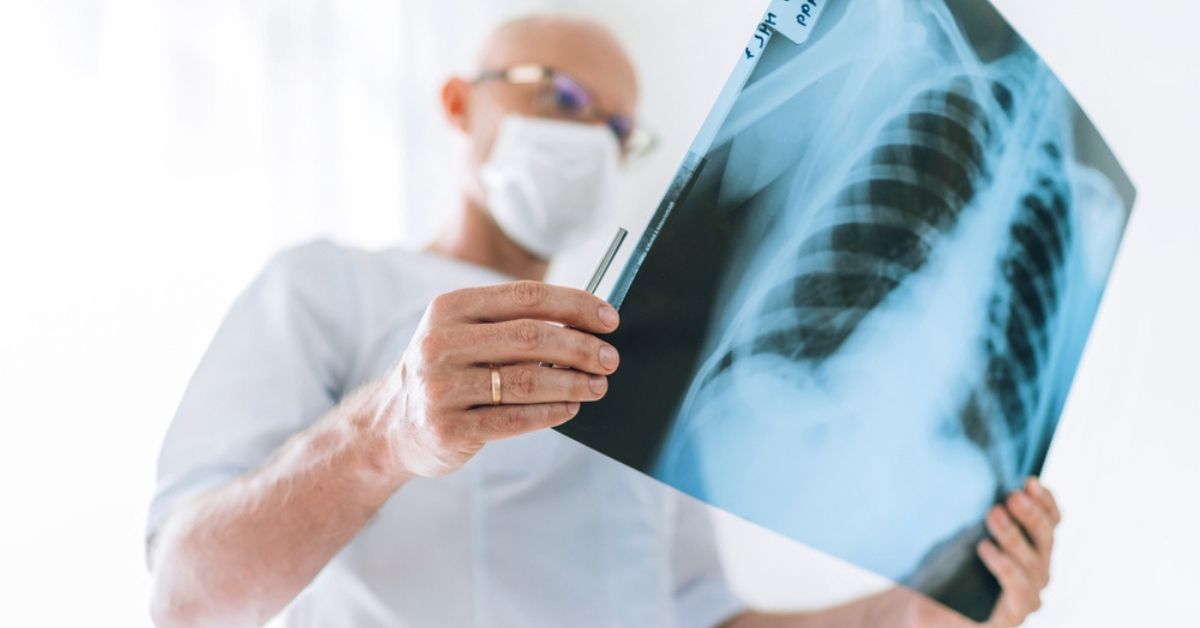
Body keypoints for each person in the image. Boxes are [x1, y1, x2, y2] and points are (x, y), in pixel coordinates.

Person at [147, 15, 1061, 628]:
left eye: (618, 128)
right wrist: (385, 432)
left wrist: (917, 610)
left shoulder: (644, 341)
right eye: (560, 98)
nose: (591, 140)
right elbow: (187, 592)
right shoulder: (329, 287)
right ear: (462, 104)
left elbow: (703, 615)